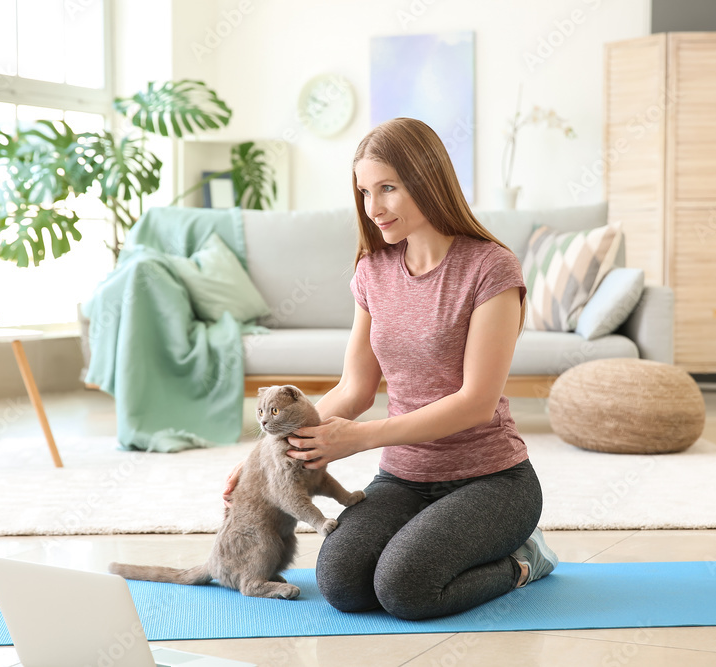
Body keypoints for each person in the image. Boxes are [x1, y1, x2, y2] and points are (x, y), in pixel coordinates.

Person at [223, 117, 556, 620]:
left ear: (427, 180)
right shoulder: (373, 272)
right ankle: (431, 537)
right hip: (404, 478)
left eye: (387, 188)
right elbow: (354, 389)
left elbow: (476, 402)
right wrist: (260, 459)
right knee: (341, 584)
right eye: (363, 191)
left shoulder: (490, 268)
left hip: (493, 481)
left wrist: (360, 438)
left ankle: (525, 558)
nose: (372, 207)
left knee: (405, 589)